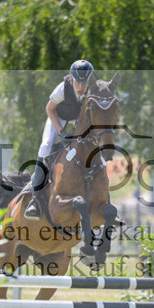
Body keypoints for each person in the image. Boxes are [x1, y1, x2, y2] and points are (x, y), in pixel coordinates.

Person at [25, 59, 93, 219]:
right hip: (59, 117)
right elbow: (49, 109)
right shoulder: (62, 89)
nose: (81, 88)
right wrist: (61, 132)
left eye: (85, 83)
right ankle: (34, 199)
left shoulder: (91, 91)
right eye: (78, 83)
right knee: (46, 146)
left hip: (78, 121)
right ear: (71, 79)